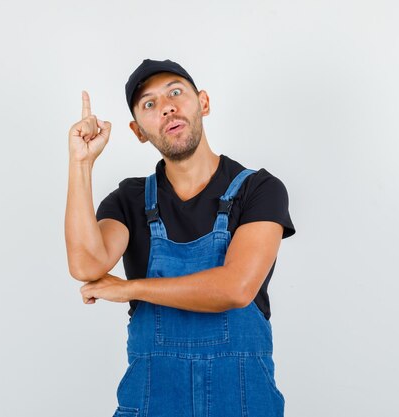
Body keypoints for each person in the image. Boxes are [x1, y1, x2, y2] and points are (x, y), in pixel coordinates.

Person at [65, 58, 295, 417]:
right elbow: (86, 264)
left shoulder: (260, 190)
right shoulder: (130, 200)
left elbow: (234, 288)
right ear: (138, 130)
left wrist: (130, 288)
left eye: (176, 92)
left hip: (244, 406)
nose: (167, 106)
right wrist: (81, 164)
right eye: (150, 104)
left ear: (203, 102)